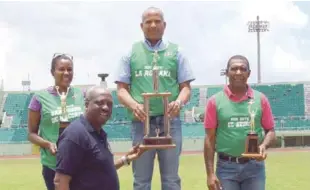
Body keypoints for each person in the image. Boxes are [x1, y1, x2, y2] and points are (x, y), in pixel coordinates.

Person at [114, 6, 195, 190]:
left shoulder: (177, 52)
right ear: (141, 26)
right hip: (141, 123)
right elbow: (121, 90)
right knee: (141, 180)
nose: (153, 25)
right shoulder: (130, 53)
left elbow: (186, 88)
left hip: (170, 122)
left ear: (164, 25)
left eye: (157, 21)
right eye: (148, 22)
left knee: (171, 179)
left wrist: (179, 102)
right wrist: (134, 105)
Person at [203, 55, 276, 190]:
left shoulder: (261, 99)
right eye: (234, 69)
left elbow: (270, 131)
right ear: (226, 72)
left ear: (249, 73)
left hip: (254, 167)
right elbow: (209, 138)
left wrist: (264, 146)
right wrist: (210, 174)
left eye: (243, 69)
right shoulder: (215, 101)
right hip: (226, 168)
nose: (238, 72)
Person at [54, 86, 145, 190]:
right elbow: (60, 181)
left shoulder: (98, 133)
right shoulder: (75, 135)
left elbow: (100, 170)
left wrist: (126, 158)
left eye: (109, 104)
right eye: (100, 103)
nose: (106, 107)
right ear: (87, 104)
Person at [27, 53, 85, 190]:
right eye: (61, 69)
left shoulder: (82, 95)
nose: (66, 73)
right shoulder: (39, 98)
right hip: (53, 165)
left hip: (80, 163)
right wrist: (47, 144)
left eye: (69, 69)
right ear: (52, 72)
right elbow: (31, 134)